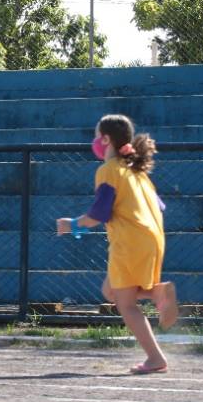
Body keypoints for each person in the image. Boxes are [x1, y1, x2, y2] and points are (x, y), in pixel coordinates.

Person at [56, 114, 178, 375]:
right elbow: (159, 206)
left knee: (126, 305)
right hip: (153, 238)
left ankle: (155, 358)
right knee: (110, 291)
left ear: (106, 139)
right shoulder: (137, 171)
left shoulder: (108, 170)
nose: (94, 141)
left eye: (96, 135)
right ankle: (156, 293)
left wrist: (72, 225)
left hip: (130, 241)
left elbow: (98, 215)